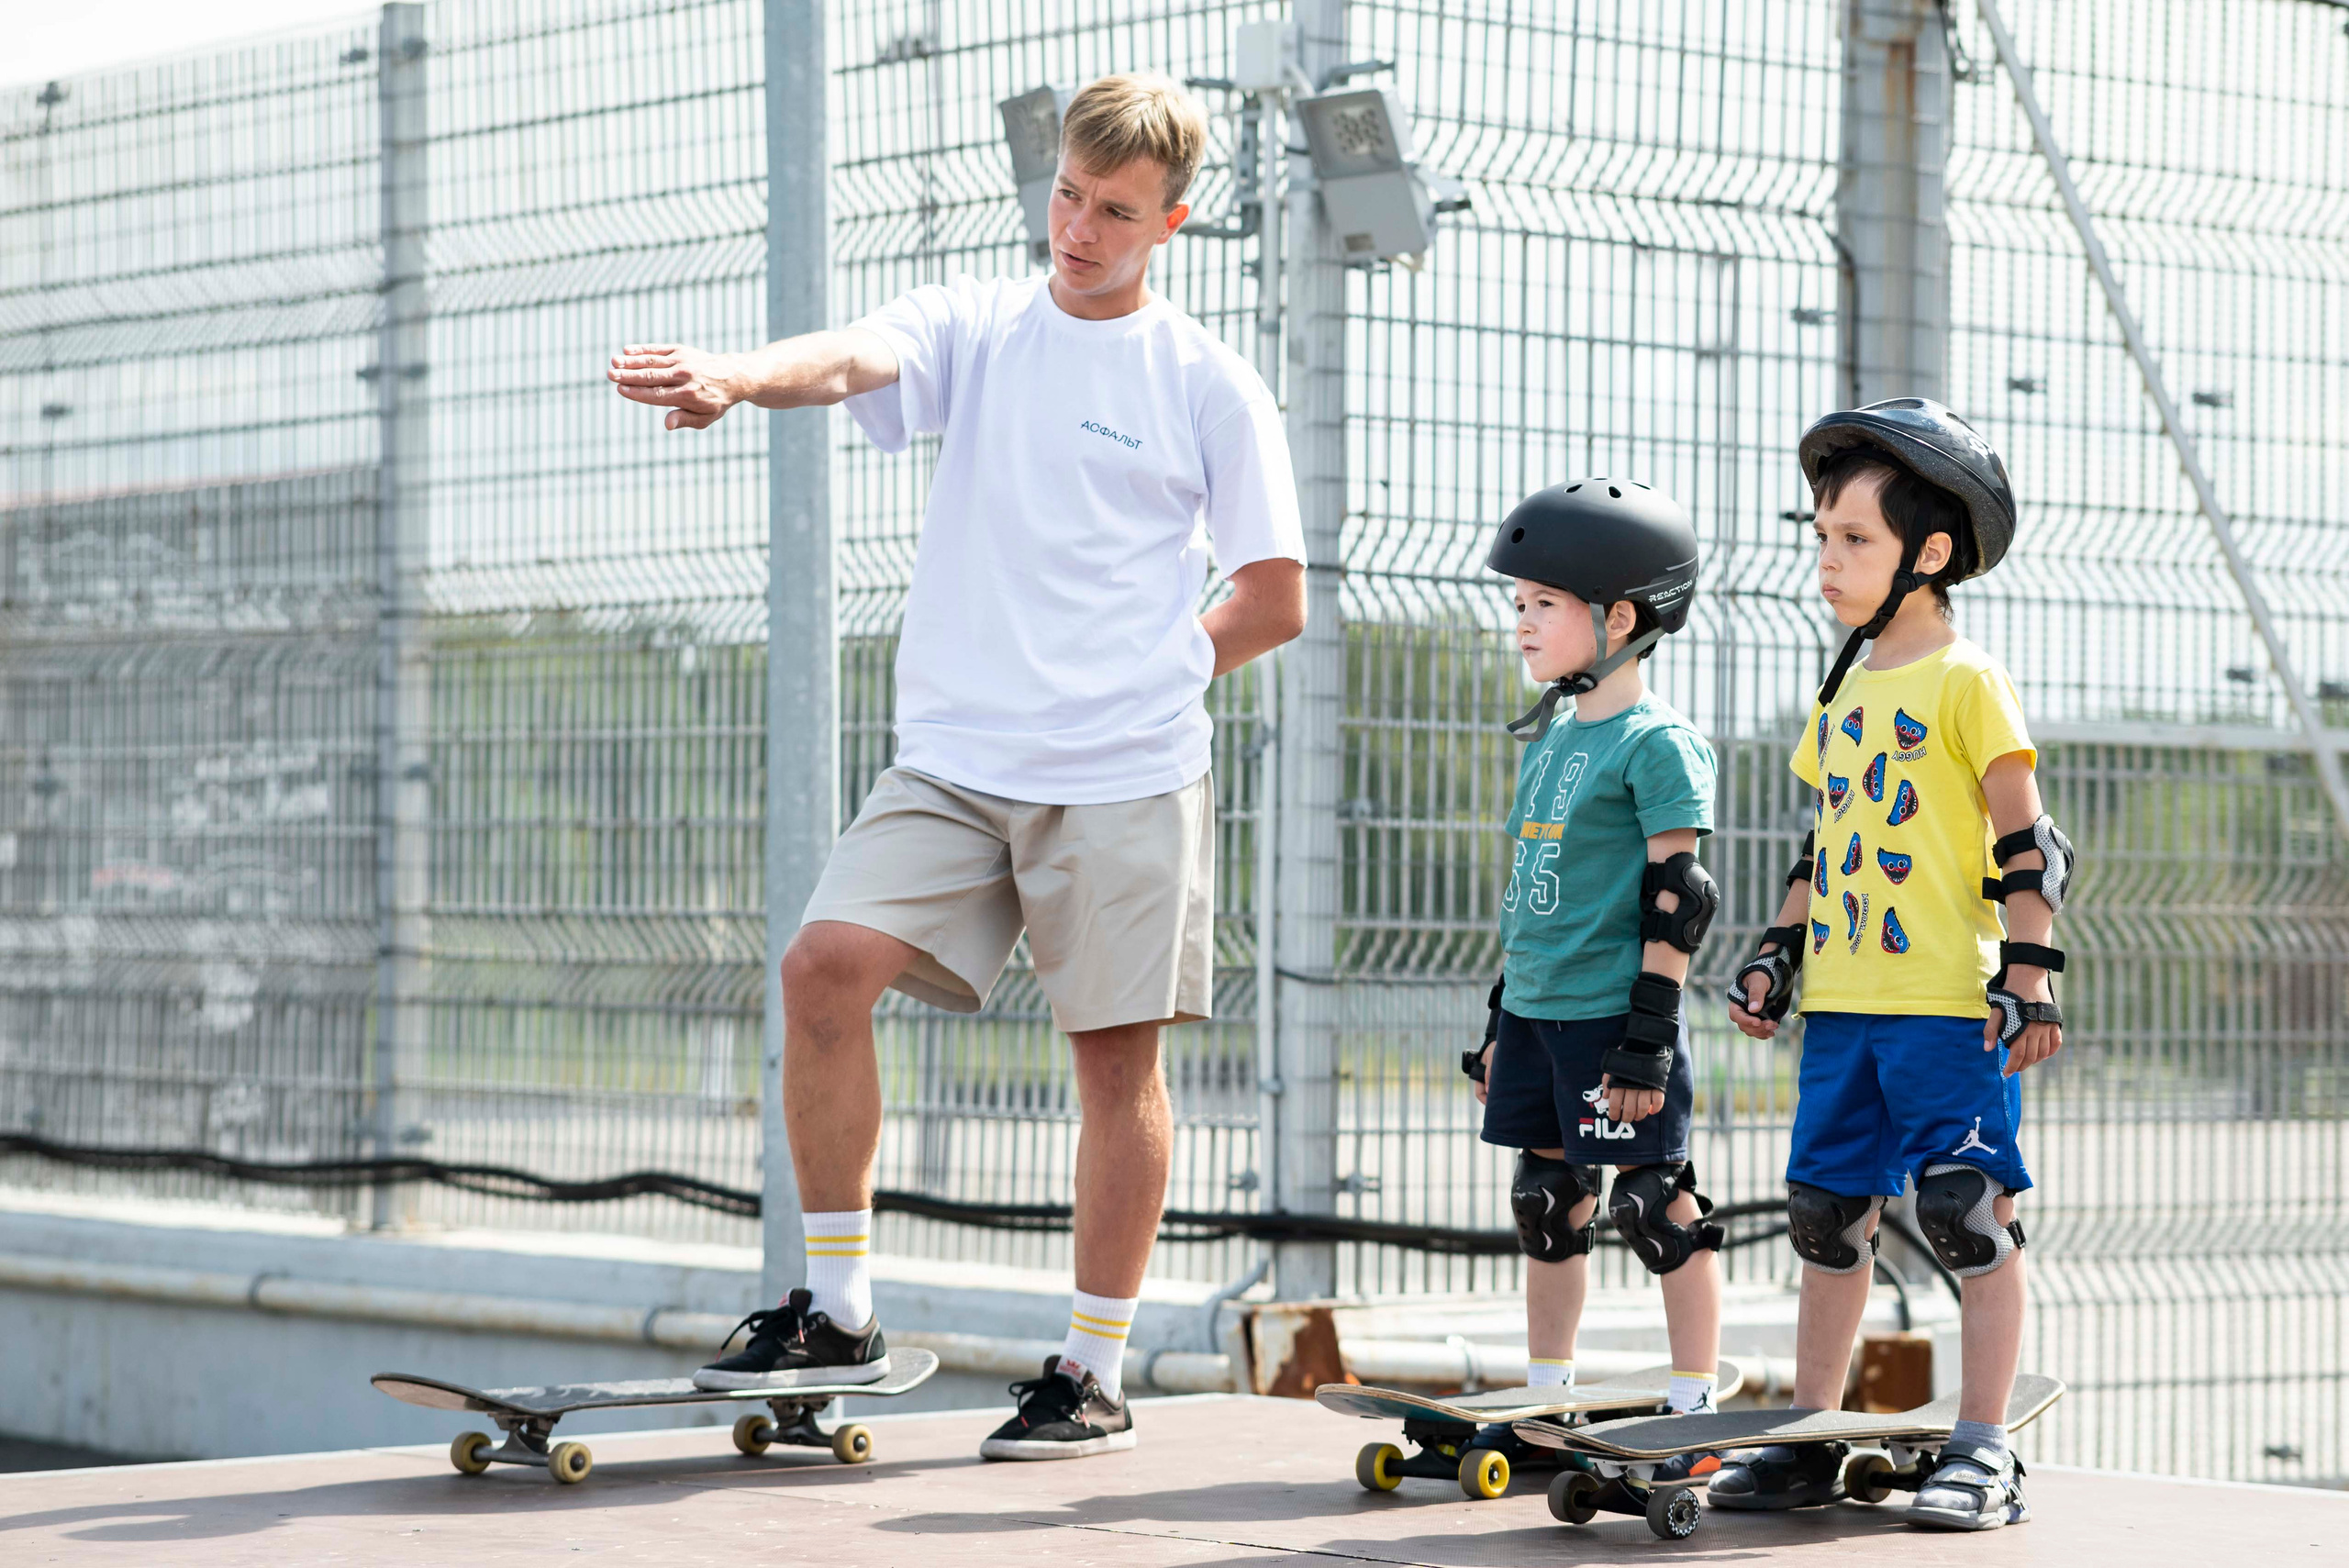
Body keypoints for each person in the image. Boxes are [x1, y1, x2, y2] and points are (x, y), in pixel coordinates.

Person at [607, 72, 1307, 1461]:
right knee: (823, 968)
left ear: (1170, 220)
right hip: (957, 757)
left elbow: (1273, 597)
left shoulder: (1209, 384)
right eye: (1067, 196)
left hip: (1123, 769)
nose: (1080, 230)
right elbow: (855, 356)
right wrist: (736, 380)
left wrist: (1154, 674)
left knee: (1114, 1067)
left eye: (1114, 212)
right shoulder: (982, 324)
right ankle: (840, 1310)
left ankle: (1088, 1368)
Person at [1716, 398, 2070, 1531]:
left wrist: (2029, 971)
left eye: (1853, 540)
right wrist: (1776, 952)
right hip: (1846, 1006)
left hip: (1944, 1010)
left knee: (1968, 1211)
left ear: (1926, 553)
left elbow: (2027, 842)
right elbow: (1824, 842)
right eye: (1819, 536)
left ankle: (1984, 1447)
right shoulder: (1842, 689)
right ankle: (1814, 1433)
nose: (1826, 559)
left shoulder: (1967, 680)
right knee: (1827, 1215)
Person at [1464, 479, 1726, 1477]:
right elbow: (1533, 892)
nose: (1521, 621)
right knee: (1547, 1196)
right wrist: (1500, 1018)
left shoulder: (1655, 742)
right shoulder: (1555, 734)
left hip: (1615, 1016)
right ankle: (1545, 1399)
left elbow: (1680, 894)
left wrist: (1647, 1035)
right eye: (1518, 602)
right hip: (1537, 1011)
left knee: (1652, 1204)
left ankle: (1693, 1407)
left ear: (1617, 617)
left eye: (1543, 603)